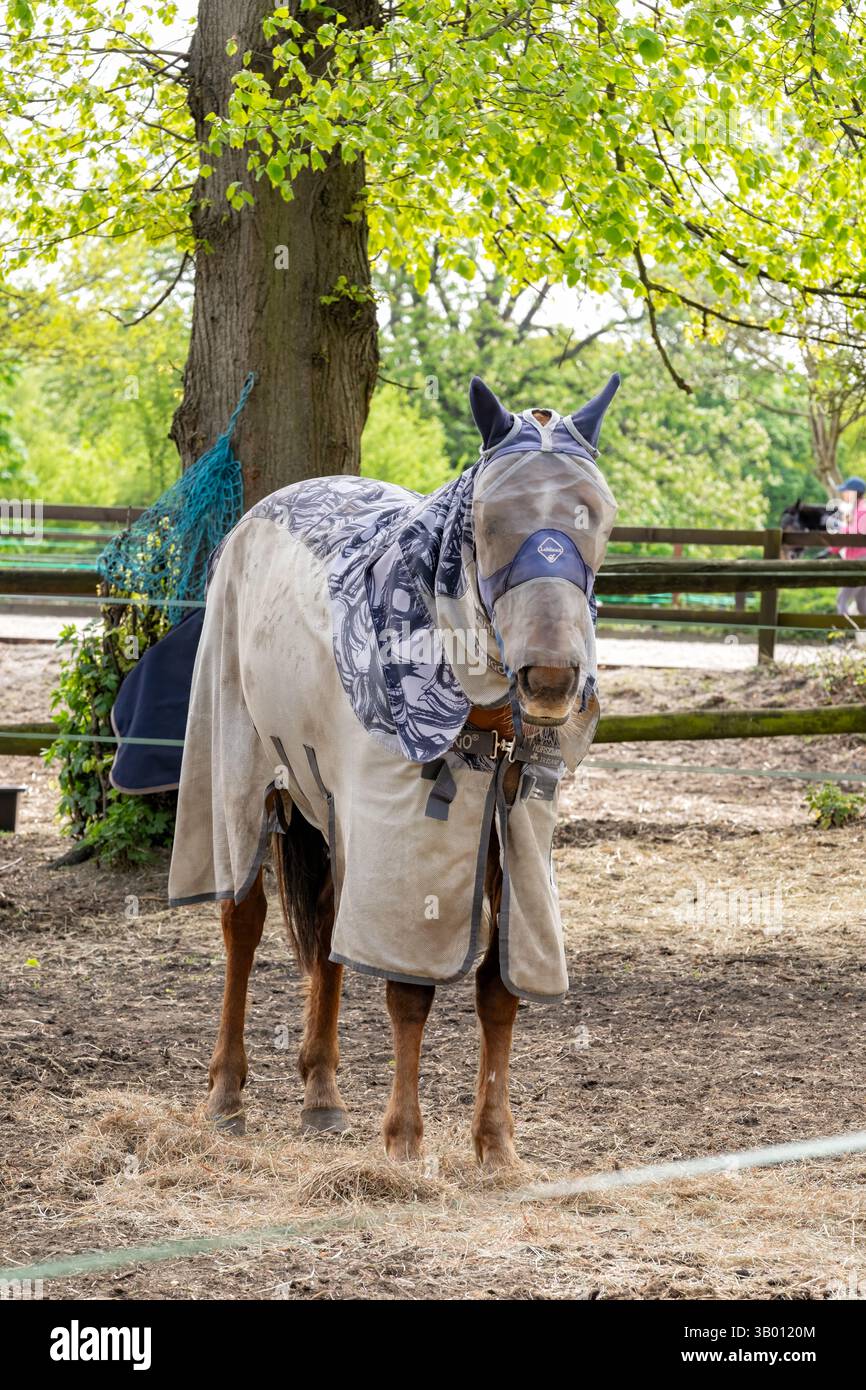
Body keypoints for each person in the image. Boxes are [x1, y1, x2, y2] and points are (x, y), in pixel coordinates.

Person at [832, 476, 866, 635]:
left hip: (860, 561)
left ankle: (841, 638)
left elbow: (856, 534)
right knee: (862, 603)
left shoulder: (862, 510)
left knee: (842, 599)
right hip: (857, 559)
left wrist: (839, 535)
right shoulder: (853, 510)